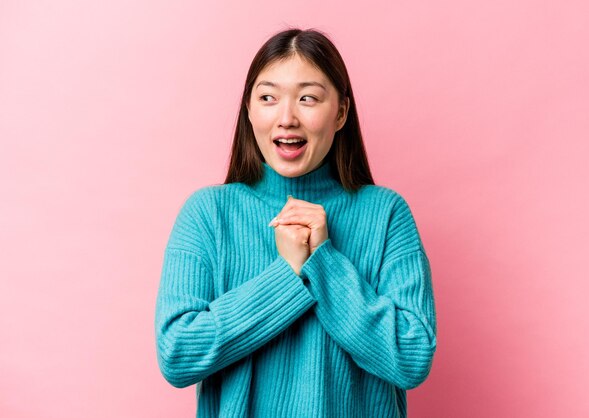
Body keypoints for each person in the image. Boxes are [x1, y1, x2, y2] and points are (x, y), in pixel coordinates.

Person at [155, 28, 437, 417]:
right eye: (268, 98)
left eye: (308, 98)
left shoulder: (386, 213)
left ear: (340, 113)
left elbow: (411, 358)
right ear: (249, 110)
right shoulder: (208, 213)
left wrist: (323, 261)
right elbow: (178, 354)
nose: (287, 118)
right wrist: (288, 273)